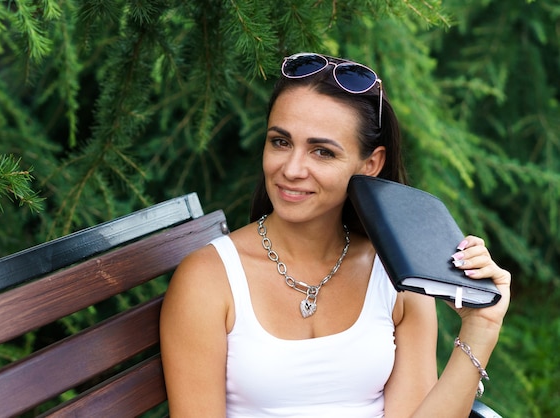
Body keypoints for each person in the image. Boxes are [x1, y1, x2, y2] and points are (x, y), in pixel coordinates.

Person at [159, 52, 511, 417]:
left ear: (370, 164)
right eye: (281, 142)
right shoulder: (209, 279)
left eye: (322, 152)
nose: (292, 169)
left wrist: (481, 327)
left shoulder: (397, 275)